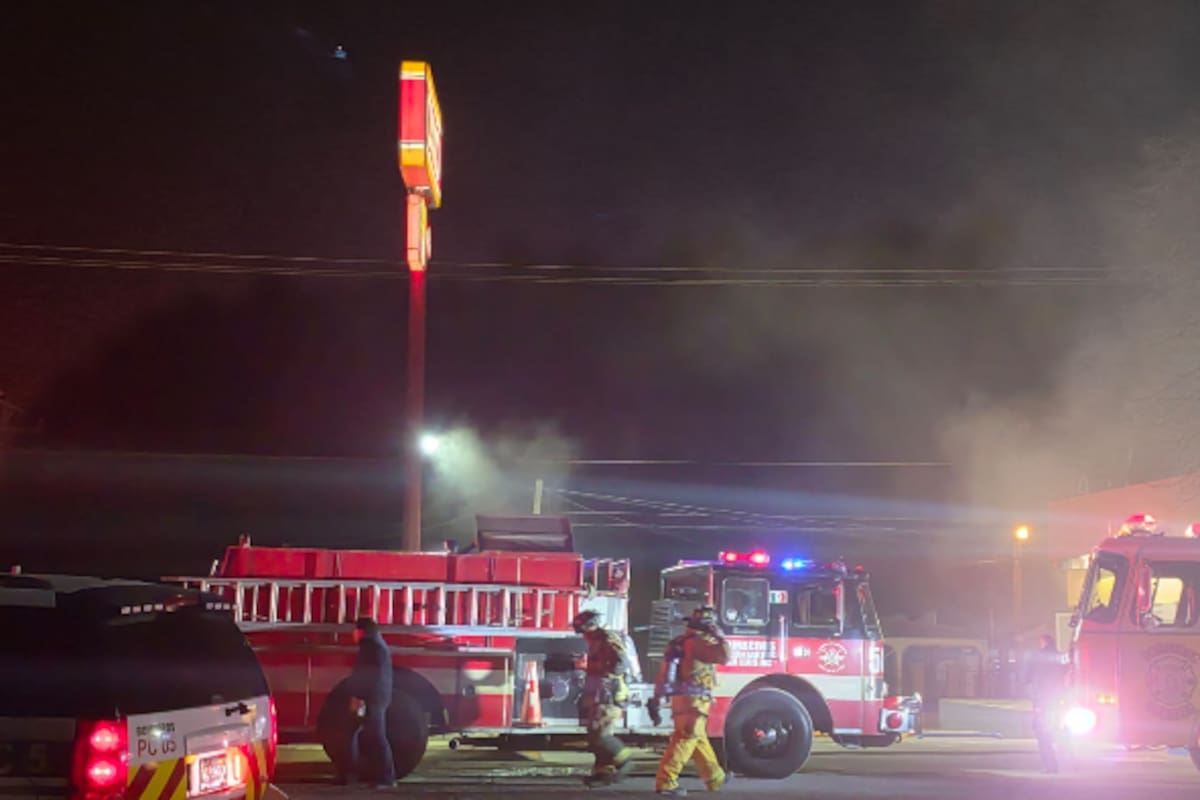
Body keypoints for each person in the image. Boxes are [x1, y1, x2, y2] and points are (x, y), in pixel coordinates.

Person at [650, 605, 731, 796]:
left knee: (697, 738)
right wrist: (720, 636)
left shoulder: (680, 641)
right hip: (695, 700)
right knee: (685, 739)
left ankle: (715, 777)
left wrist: (657, 696)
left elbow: (664, 673)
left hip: (681, 699)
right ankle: (667, 781)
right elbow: (726, 657)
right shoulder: (699, 643)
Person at [573, 610, 636, 786]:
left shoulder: (608, 639)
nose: (583, 635)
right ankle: (603, 773)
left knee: (601, 736)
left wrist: (602, 673)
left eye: (584, 630)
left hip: (608, 695)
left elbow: (621, 664)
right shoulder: (596, 641)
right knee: (594, 734)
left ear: (592, 626)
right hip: (599, 694)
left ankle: (625, 761)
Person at [343, 617, 397, 788]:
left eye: (355, 630)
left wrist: (358, 697)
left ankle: (387, 778)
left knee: (376, 737)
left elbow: (367, 676)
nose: (353, 634)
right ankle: (353, 774)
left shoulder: (371, 647)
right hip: (375, 698)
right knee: (362, 735)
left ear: (361, 631)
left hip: (372, 699)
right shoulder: (376, 645)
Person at [1023, 634, 1065, 773]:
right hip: (1057, 699)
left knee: (1042, 733)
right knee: (1055, 731)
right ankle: (1066, 761)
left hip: (1041, 699)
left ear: (1043, 642)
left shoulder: (1036, 657)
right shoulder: (1059, 657)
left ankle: (1050, 765)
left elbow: (1027, 677)